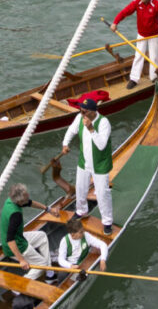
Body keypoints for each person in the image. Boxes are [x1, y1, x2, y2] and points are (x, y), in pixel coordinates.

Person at [61, 93, 116, 229]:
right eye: (80, 110)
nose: (81, 112)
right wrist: (65, 143)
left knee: (102, 194)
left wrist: (91, 129)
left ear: (92, 112)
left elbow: (101, 145)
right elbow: (71, 131)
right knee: (80, 189)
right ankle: (81, 211)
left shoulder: (104, 123)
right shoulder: (79, 118)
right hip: (84, 162)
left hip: (100, 164)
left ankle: (107, 222)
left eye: (84, 111)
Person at [112, 0, 158, 82]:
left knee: (154, 57)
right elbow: (125, 12)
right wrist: (115, 22)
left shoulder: (156, 5)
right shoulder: (137, 2)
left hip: (154, 36)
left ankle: (154, 77)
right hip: (141, 35)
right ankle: (134, 79)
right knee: (138, 56)